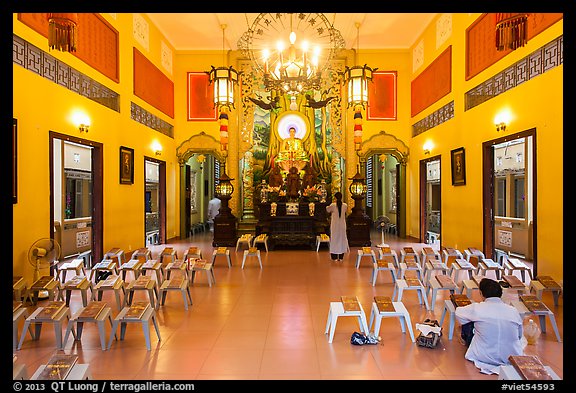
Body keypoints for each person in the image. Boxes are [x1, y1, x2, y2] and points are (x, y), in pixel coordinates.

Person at [454, 277, 525, 375]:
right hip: (510, 357)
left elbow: (458, 313)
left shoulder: (478, 308)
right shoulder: (513, 310)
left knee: (467, 323)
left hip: (483, 356)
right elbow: (519, 335)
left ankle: (464, 339)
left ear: (482, 294)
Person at [326, 191, 348, 261]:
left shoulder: (332, 205)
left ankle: (334, 257)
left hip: (334, 225)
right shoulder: (345, 205)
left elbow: (327, 210)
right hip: (342, 225)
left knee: (334, 239)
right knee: (342, 239)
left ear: (335, 198)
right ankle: (341, 257)